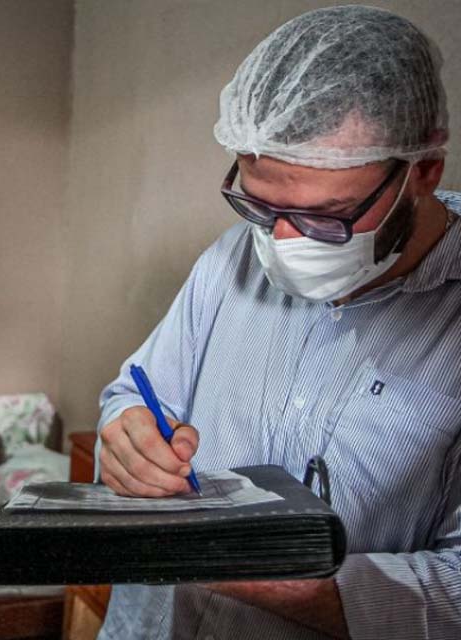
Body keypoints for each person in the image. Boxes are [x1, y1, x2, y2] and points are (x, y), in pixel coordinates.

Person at [95, 7, 461, 640]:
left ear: (423, 172)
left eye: (326, 217)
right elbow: (136, 393)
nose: (284, 242)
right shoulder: (231, 259)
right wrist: (125, 440)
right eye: (260, 207)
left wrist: (292, 584)